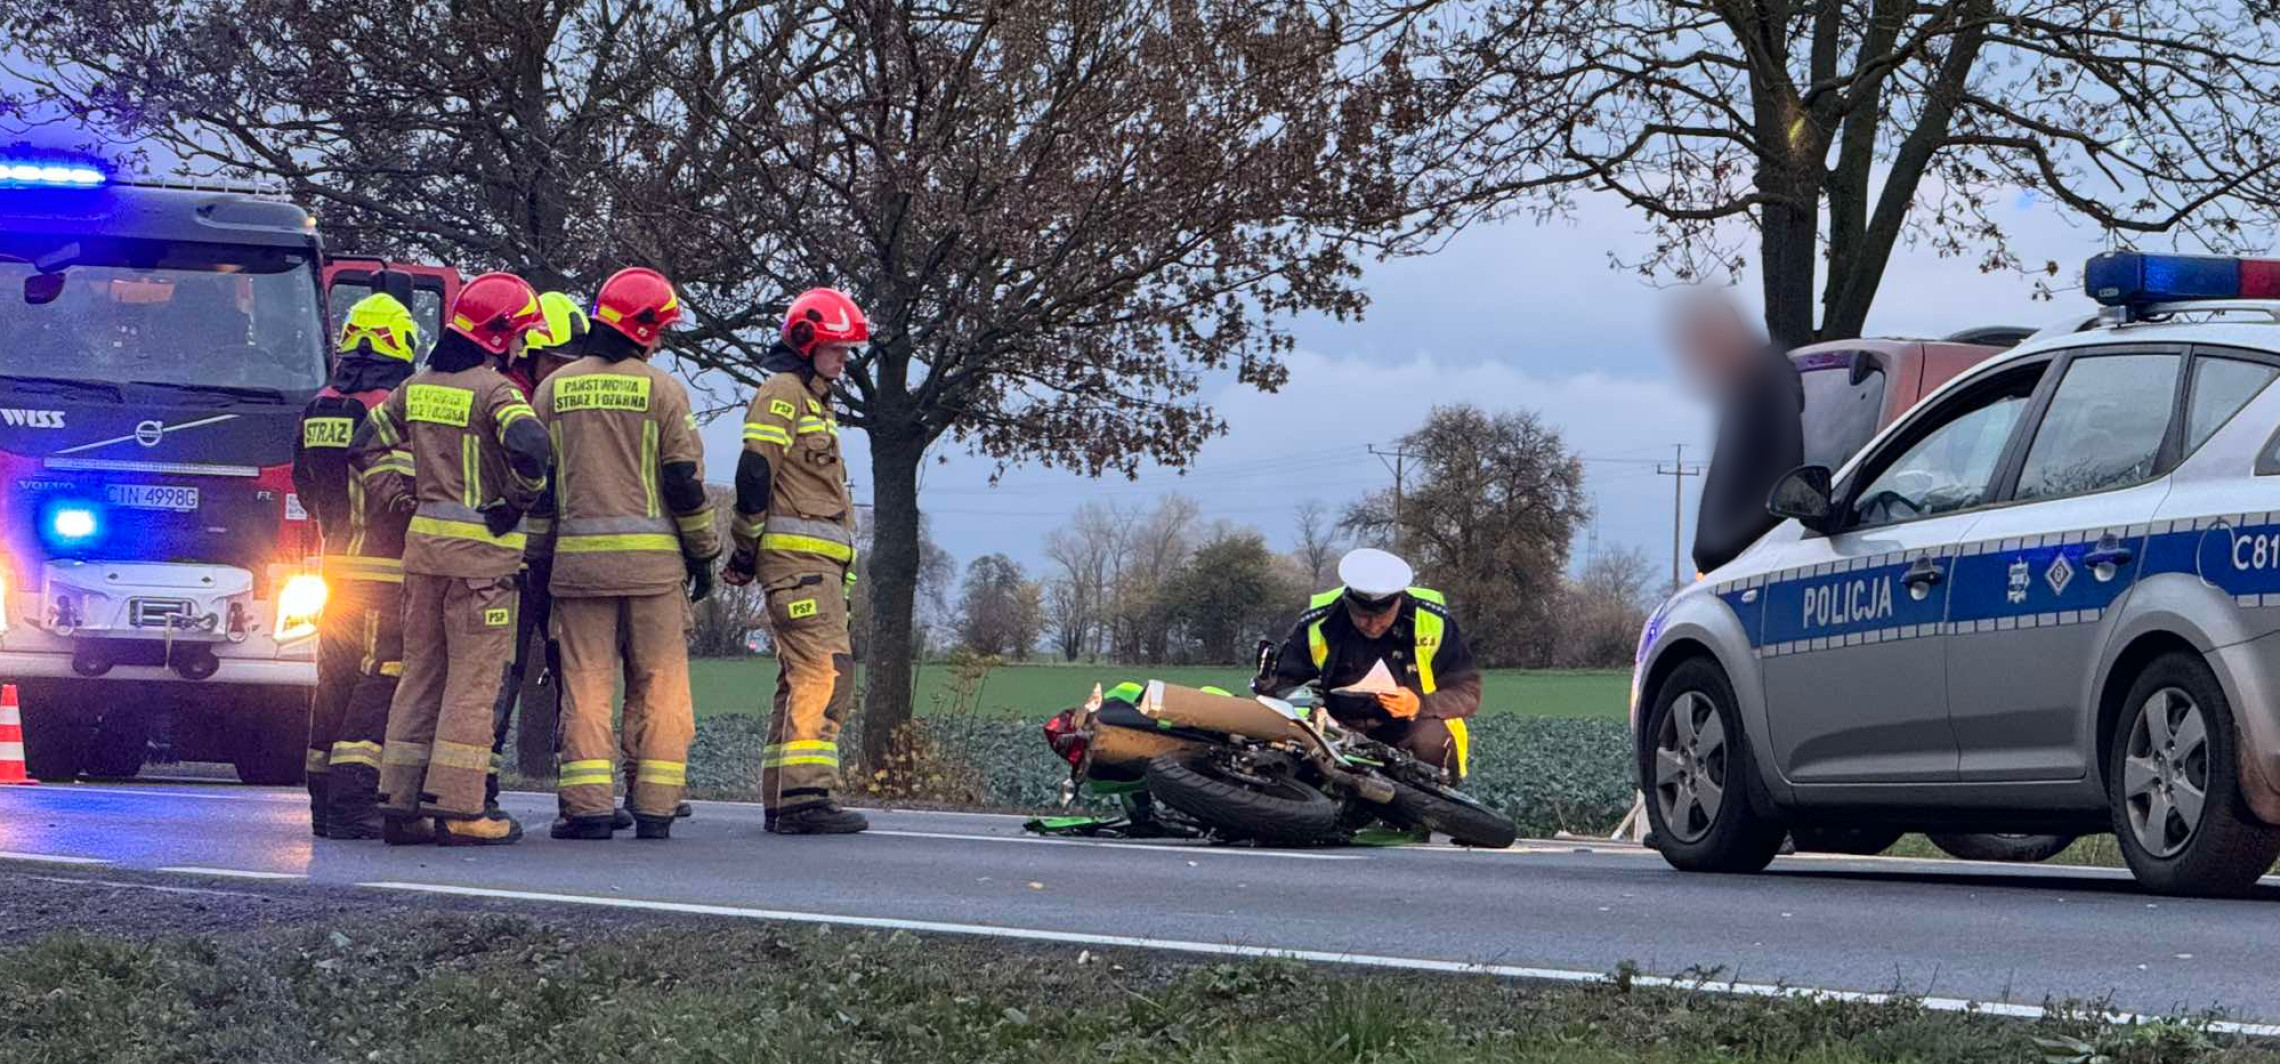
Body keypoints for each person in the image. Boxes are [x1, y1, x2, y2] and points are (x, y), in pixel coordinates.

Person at [350, 272, 551, 846]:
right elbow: (532, 446)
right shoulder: (497, 392)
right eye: (518, 336)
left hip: (424, 555)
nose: (521, 347)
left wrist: (398, 496)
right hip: (482, 565)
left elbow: (366, 443)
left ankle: (401, 802)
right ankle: (460, 810)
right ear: (497, 335)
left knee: (420, 676)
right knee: (472, 683)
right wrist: (518, 501)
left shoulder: (414, 387)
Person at [529, 268, 718, 840]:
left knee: (586, 685)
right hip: (654, 569)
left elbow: (538, 486)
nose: (659, 340)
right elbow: (683, 480)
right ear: (639, 329)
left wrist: (538, 563)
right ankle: (656, 807)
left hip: (578, 569)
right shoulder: (662, 390)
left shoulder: (551, 391)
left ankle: (587, 808)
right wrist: (704, 552)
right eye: (658, 328)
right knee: (660, 683)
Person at [720, 287, 869, 835]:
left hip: (811, 566)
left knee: (798, 678)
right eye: (837, 348)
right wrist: (744, 547)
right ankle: (807, 799)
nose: (844, 359)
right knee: (825, 675)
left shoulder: (812, 397)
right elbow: (755, 471)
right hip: (799, 565)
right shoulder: (783, 392)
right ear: (807, 343)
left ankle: (785, 798)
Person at [292, 293, 419, 839]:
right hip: (385, 574)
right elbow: (404, 491)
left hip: (333, 570)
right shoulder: (389, 408)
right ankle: (350, 805)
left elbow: (304, 484)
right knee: (379, 680)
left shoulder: (318, 406)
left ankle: (322, 803)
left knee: (334, 683)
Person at [1254, 548, 1481, 778]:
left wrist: (1418, 704)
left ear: (1398, 602)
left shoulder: (1433, 621)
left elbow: (1467, 692)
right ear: (1347, 601)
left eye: (1381, 618)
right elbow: (1285, 683)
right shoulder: (1317, 622)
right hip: (1334, 728)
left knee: (1428, 740)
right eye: (1362, 617)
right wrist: (1313, 707)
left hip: (1410, 727)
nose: (1372, 626)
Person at [489, 291, 587, 813]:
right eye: (553, 361)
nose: (559, 374)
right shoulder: (505, 399)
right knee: (499, 668)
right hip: (507, 559)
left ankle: (582, 789)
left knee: (571, 662)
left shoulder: (548, 400)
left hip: (551, 557)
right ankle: (478, 785)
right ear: (527, 353)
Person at [1672, 290, 1804, 574]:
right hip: (1742, 565)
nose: (1702, 362)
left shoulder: (1763, 396)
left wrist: (1717, 555)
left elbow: (1760, 489)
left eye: (1706, 347)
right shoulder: (1751, 393)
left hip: (1751, 570)